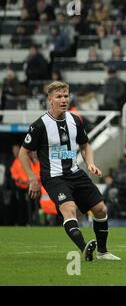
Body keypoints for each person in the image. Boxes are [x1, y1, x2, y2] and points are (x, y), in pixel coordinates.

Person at [18, 81, 120, 261]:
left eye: (66, 96)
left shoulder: (75, 119)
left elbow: (85, 144)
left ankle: (103, 252)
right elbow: (23, 153)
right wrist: (32, 178)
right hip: (53, 177)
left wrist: (90, 163)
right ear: (50, 100)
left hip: (75, 173)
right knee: (69, 208)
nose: (64, 100)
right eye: (59, 96)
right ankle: (85, 249)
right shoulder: (39, 125)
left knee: (101, 209)